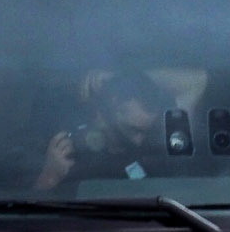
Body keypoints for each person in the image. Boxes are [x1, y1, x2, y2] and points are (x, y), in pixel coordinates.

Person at [35, 70, 166, 192]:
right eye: (134, 130)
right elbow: (31, 202)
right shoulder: (63, 149)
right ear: (114, 105)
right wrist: (51, 175)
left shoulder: (152, 150)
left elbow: (184, 83)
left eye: (145, 132)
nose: (139, 141)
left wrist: (115, 76)